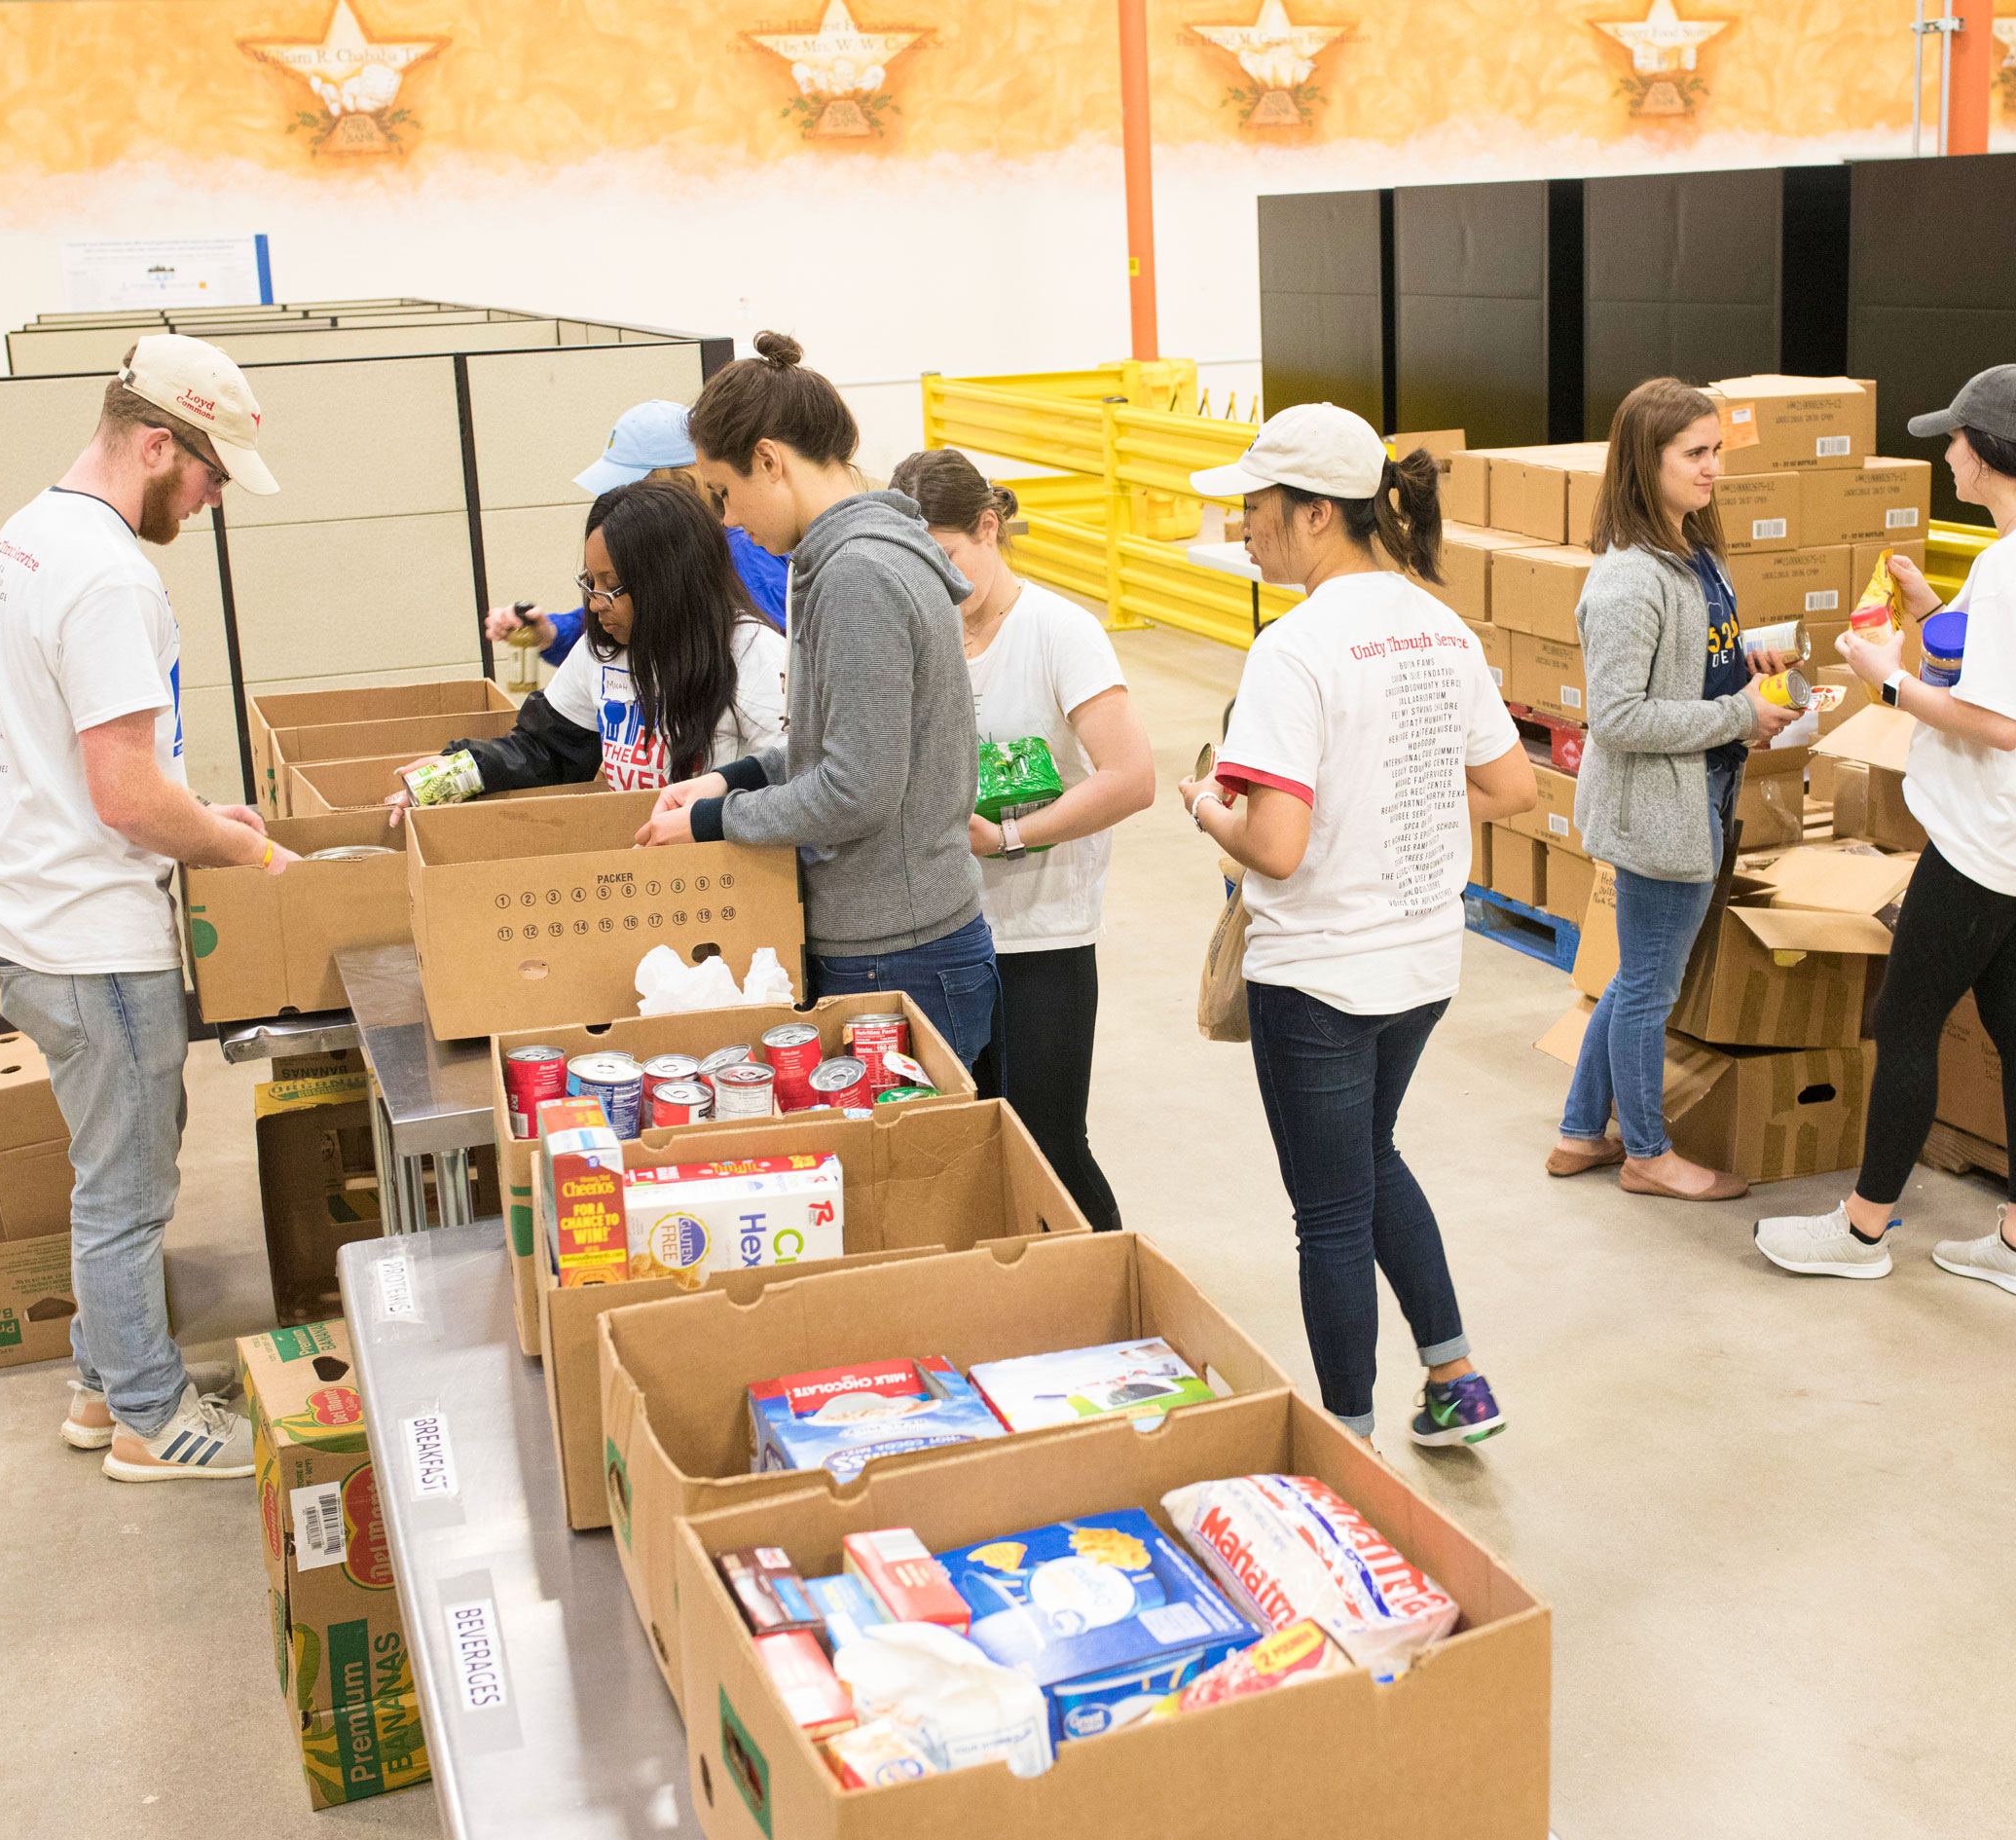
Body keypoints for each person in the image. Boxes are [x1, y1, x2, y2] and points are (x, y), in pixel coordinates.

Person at [0, 335, 287, 1484]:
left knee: (111, 1168)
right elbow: (128, 797)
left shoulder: (30, 535)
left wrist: (200, 811)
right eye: (207, 475)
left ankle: (106, 1384)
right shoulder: (108, 576)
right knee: (130, 1188)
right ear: (156, 444)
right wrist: (248, 852)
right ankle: (151, 1417)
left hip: (36, 912)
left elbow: (92, 761)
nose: (209, 501)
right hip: (90, 930)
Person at [1178, 403, 1536, 1450]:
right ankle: (1455, 1379)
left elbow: (1276, 845)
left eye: (1255, 506)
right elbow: (1510, 785)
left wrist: (1205, 806)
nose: (1244, 527)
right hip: (1422, 963)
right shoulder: (1439, 626)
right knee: (1371, 1159)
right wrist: (1391, 800)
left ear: (1315, 514)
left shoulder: (1293, 648)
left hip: (1319, 978)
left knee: (1328, 1214)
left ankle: (1348, 1447)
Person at [1753, 363, 2016, 1300]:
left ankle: (1862, 1227)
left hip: (1983, 840)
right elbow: (2009, 671)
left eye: (1955, 439)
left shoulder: (2014, 570)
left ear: (1989, 452)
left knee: (1905, 1021)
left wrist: (1885, 677)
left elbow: (1997, 719)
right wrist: (1927, 611)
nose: (1948, 453)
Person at [644, 334, 997, 1072]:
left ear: (769, 460)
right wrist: (732, 780)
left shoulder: (855, 575)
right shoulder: (854, 556)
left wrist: (713, 822)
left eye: (725, 492)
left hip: (898, 954)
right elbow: (843, 744)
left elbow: (856, 790)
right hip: (901, 941)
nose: (727, 519)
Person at [1549, 379, 1803, 1201]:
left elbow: (1686, 661)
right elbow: (1620, 716)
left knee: (1638, 975)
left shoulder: (1692, 552)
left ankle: (1580, 1132)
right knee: (1649, 990)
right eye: (1695, 453)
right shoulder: (1629, 580)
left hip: (1696, 794)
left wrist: (1744, 660)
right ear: (1644, 461)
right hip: (1660, 811)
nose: (1713, 467)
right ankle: (1647, 1153)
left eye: (1717, 450)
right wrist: (1739, 714)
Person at [891, 447, 1155, 1233]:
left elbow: (1131, 777)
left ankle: (1115, 1282)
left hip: (1043, 938)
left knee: (1049, 1145)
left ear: (988, 527)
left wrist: (1009, 835)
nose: (937, 585)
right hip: (943, 938)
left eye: (946, 558)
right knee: (970, 1147)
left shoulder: (1059, 631)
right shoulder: (922, 634)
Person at [403, 478, 785, 813]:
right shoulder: (604, 648)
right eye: (590, 582)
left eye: (612, 585)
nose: (595, 603)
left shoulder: (754, 653)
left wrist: (706, 822)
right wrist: (451, 775)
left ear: (668, 582)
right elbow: (548, 751)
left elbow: (788, 781)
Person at [480, 398, 791, 662]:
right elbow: (619, 619)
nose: (618, 509)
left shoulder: (746, 558)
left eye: (629, 491)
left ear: (679, 484)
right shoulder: (667, 555)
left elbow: (779, 665)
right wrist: (548, 632)